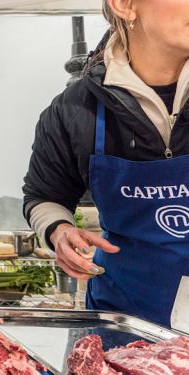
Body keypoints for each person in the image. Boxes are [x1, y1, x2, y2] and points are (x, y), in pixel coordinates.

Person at [23, 0, 189, 327]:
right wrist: (60, 231)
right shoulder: (73, 112)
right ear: (125, 5)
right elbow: (44, 196)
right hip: (123, 323)